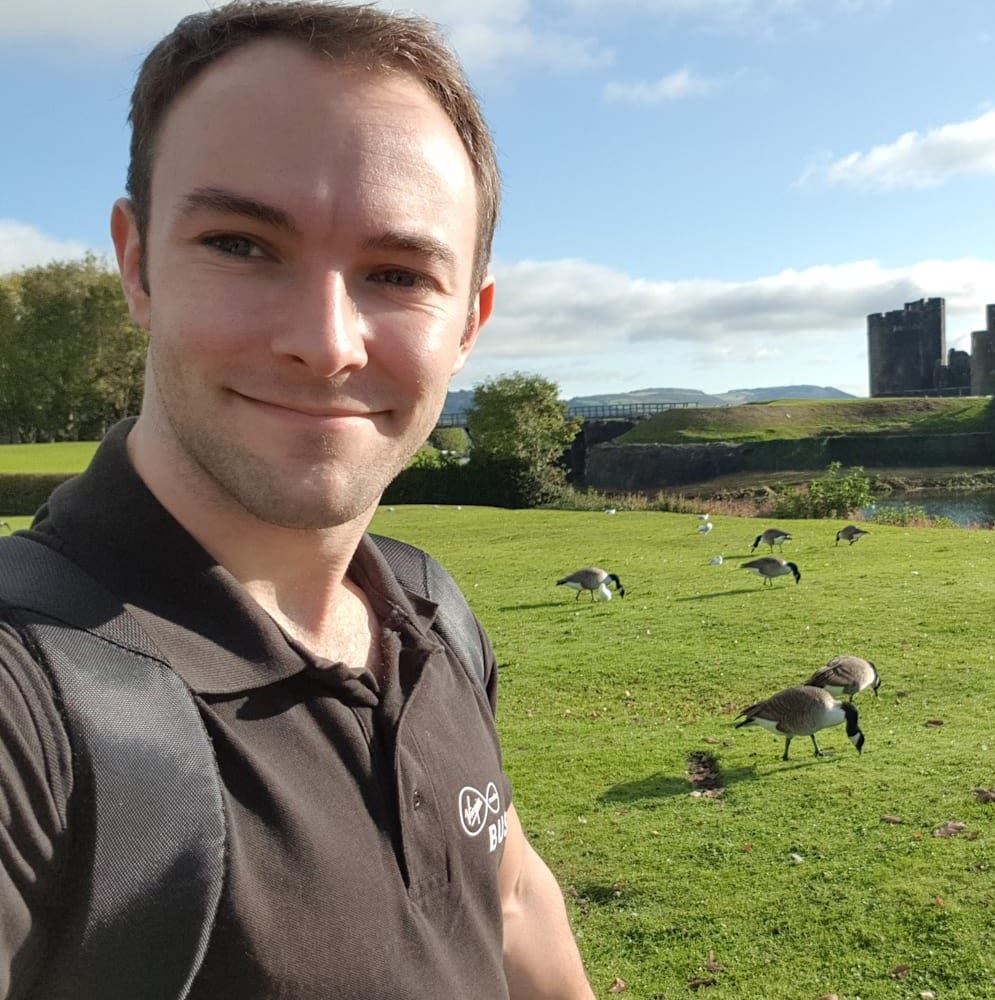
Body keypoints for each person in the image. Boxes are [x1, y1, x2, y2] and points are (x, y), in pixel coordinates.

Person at [0, 2, 596, 997]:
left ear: (470, 323)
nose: (326, 341)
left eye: (396, 271)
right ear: (138, 262)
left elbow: (509, 894)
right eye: (241, 244)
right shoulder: (31, 703)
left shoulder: (430, 612)